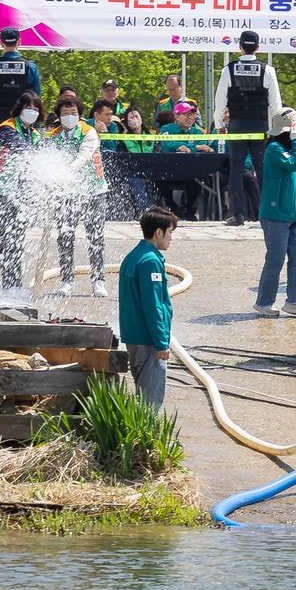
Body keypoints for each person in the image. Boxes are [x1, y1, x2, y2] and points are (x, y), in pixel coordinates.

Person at [215, 30, 282, 227]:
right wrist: (277, 130)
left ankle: (238, 214)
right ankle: (266, 214)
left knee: (236, 170)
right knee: (263, 170)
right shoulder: (267, 70)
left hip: (236, 125)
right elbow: (276, 105)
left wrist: (219, 125)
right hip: (260, 126)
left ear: (240, 46)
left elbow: (220, 101)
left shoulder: (229, 69)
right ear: (258, 48)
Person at [47, 97, 109, 298]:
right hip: (66, 194)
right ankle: (67, 280)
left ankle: (98, 280)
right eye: (65, 114)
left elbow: (83, 157)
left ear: (80, 114)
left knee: (95, 236)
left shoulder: (88, 132)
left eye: (73, 113)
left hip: (93, 191)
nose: (69, 117)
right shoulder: (53, 136)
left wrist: (66, 172)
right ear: (58, 116)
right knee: (65, 236)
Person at [0, 90, 45, 295]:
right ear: (19, 109)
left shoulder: (36, 134)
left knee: (18, 237)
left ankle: (16, 284)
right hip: (3, 189)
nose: (32, 112)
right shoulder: (6, 128)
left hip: (22, 192)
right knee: (9, 238)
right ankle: (10, 285)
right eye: (28, 108)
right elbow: (18, 147)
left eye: (35, 109)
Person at [118, 207, 178, 407]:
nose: (171, 238)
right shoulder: (150, 262)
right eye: (170, 232)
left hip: (134, 337)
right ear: (158, 232)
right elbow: (153, 306)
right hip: (148, 340)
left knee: (142, 395)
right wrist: (161, 342)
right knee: (150, 401)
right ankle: (145, 437)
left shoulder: (134, 255)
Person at [255, 106, 296, 316]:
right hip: (275, 215)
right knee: (275, 258)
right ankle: (264, 303)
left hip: (292, 214)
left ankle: (293, 301)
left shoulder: (288, 149)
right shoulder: (274, 149)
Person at [159, 101, 214, 220]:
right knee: (159, 179)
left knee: (197, 179)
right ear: (177, 116)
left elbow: (203, 148)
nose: (190, 118)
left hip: (190, 171)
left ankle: (189, 211)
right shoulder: (166, 128)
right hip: (170, 170)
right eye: (186, 115)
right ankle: (173, 208)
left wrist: (188, 147)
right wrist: (192, 147)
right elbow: (167, 144)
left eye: (192, 115)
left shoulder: (197, 132)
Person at [0, 26, 42, 133]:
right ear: (19, 41)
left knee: (0, 149)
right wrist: (37, 124)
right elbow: (37, 98)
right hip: (25, 118)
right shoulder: (30, 67)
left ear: (1, 43)